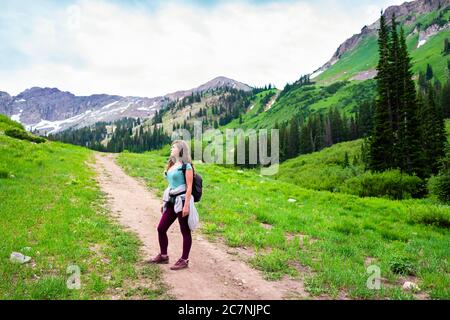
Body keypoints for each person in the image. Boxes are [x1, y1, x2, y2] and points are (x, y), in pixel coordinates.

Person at [148, 140, 195, 270]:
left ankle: (184, 259)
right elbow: (170, 185)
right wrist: (164, 202)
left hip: (182, 201)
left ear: (180, 150)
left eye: (173, 147)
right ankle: (163, 256)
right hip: (171, 201)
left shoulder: (187, 166)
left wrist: (186, 206)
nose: (171, 148)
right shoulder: (172, 164)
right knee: (161, 228)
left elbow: (189, 187)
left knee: (185, 231)